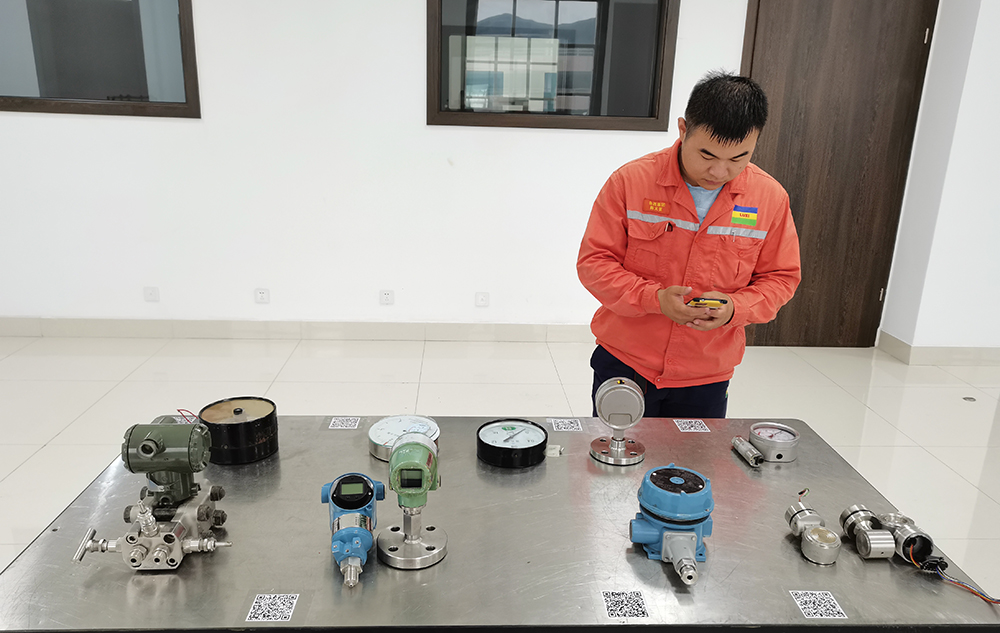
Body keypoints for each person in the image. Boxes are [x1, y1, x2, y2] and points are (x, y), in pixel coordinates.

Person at [577, 71, 801, 419]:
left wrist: (735, 308)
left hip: (707, 374)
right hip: (627, 362)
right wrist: (654, 299)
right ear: (683, 130)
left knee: (694, 456)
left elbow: (781, 278)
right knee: (617, 452)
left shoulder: (769, 198)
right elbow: (594, 263)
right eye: (707, 155)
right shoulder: (631, 182)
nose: (719, 171)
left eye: (738, 158)